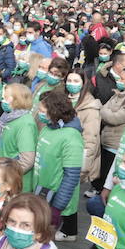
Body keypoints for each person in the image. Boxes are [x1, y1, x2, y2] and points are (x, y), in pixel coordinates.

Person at [32, 90, 84, 241]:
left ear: (54, 111)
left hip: (54, 200)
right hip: (41, 194)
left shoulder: (71, 137)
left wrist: (57, 207)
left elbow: (71, 177)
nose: (39, 113)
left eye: (42, 111)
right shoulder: (48, 127)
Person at [0, 82, 38, 191]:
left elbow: (27, 160)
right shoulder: (7, 117)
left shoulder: (25, 124)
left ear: (18, 100)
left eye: (6, 98)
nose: (2, 100)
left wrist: (7, 177)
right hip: (2, 178)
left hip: (13, 184)